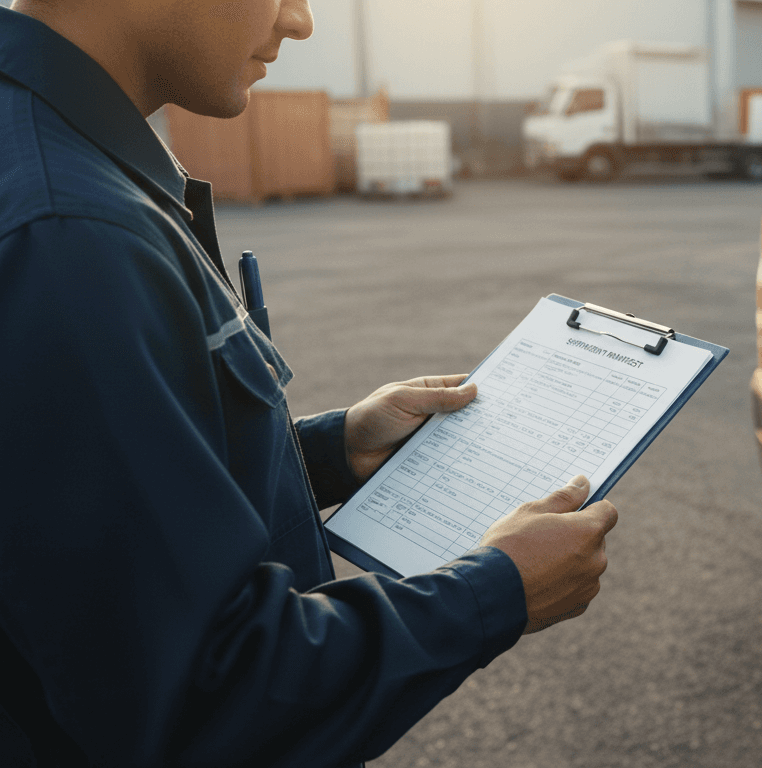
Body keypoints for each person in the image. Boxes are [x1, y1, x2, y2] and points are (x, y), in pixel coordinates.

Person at [0, 0, 618, 765]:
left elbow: (105, 504)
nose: (301, 21)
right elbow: (205, 695)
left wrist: (333, 450)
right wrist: (496, 592)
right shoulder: (71, 234)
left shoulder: (55, 164)